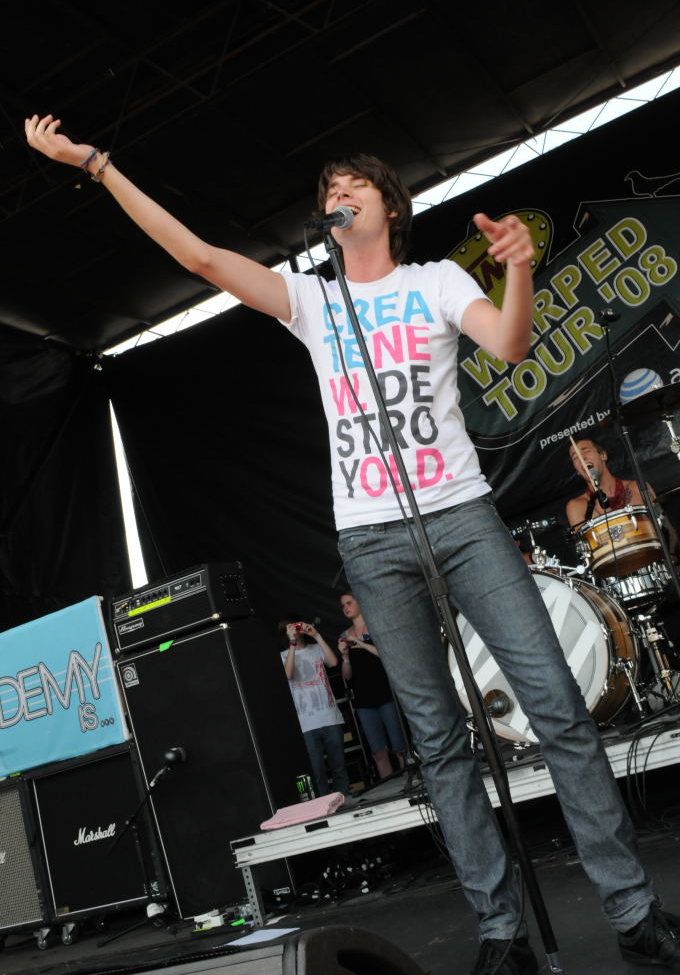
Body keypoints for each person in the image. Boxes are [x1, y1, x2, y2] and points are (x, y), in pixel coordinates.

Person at [24, 115, 680, 974]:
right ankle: (500, 931)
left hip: (462, 517)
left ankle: (632, 911)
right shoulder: (313, 300)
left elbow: (510, 341)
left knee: (556, 703)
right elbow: (200, 257)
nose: (337, 194)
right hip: (371, 540)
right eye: (328, 190)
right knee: (438, 740)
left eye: (353, 185)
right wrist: (96, 165)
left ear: (389, 208)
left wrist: (520, 267)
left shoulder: (436, 280)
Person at [338, 590, 406, 779]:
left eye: (349, 603)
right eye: (343, 605)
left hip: (386, 694)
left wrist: (360, 643)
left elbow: (388, 655)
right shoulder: (344, 635)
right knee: (378, 751)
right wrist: (345, 656)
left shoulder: (375, 626)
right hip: (363, 699)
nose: (346, 608)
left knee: (399, 746)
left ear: (359, 602)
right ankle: (390, 788)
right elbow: (347, 676)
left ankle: (409, 781)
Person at [278, 618, 350, 796]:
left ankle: (345, 801)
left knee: (339, 768)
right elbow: (288, 674)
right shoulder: (283, 655)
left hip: (330, 718)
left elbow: (334, 662)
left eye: (297, 626)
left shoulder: (316, 648)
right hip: (306, 723)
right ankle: (323, 807)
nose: (296, 630)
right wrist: (292, 642)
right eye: (292, 628)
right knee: (317, 773)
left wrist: (316, 635)